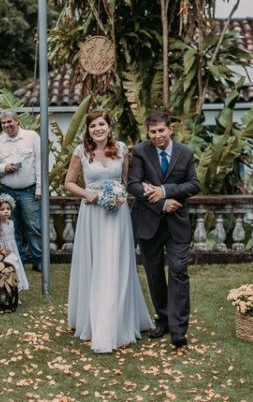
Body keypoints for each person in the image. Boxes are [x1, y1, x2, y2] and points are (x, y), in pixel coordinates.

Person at [65, 110, 154, 353]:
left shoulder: (122, 149)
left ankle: (120, 321)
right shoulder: (81, 152)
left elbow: (128, 180)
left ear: (109, 126)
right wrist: (87, 194)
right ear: (88, 129)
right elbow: (69, 182)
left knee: (116, 263)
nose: (98, 129)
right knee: (96, 264)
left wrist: (144, 189)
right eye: (93, 126)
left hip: (117, 215)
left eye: (102, 124)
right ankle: (95, 321)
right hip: (92, 214)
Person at [128, 111, 201, 349]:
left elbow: (194, 184)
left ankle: (178, 330)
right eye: (153, 132)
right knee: (154, 273)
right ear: (147, 133)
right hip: (148, 222)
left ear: (170, 129)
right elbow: (133, 185)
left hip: (177, 223)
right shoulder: (140, 152)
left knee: (179, 270)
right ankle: (164, 319)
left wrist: (166, 190)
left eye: (161, 130)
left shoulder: (186, 153)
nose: (157, 135)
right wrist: (162, 202)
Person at [0, 109, 43, 272]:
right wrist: (3, 167)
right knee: (11, 226)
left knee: (33, 226)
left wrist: (40, 187)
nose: (7, 125)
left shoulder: (32, 136)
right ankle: (17, 259)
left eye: (9, 122)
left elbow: (40, 162)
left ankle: (39, 260)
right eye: (3, 123)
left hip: (29, 189)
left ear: (17, 121)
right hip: (7, 190)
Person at [0, 193, 29, 292]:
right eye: (2, 209)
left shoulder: (11, 223)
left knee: (15, 267)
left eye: (8, 209)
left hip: (12, 249)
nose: (6, 211)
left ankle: (15, 290)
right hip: (1, 249)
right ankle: (1, 293)